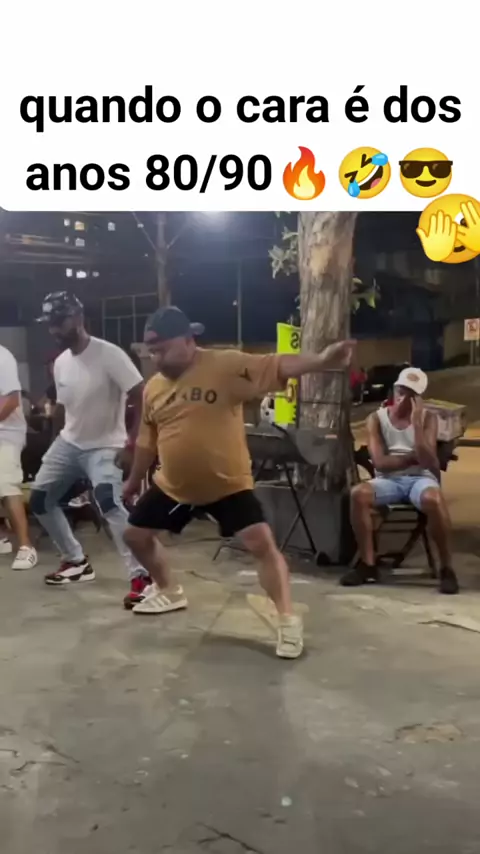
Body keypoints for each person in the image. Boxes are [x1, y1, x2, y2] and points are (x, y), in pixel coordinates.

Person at [122, 306, 355, 659]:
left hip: (227, 485)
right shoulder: (153, 387)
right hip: (175, 486)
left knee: (262, 544)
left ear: (188, 340)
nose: (156, 359)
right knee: (135, 536)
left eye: (162, 350)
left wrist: (322, 360)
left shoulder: (224, 365)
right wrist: (133, 481)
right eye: (151, 352)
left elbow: (277, 365)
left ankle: (287, 620)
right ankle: (169, 591)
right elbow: (145, 441)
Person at [30, 291, 151, 606]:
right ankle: (75, 561)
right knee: (40, 500)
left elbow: (141, 394)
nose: (55, 330)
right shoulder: (60, 363)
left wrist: (132, 442)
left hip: (106, 445)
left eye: (60, 321)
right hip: (69, 442)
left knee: (109, 502)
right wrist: (53, 443)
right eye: (51, 324)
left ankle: (142, 576)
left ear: (79, 318)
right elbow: (63, 407)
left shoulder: (109, 354)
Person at [341, 366, 458, 595]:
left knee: (434, 499)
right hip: (389, 481)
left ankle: (446, 568)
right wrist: (411, 458)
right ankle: (367, 563)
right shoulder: (376, 419)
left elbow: (429, 462)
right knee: (358, 494)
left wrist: (417, 427)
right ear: (393, 390)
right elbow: (380, 462)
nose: (403, 399)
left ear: (418, 399)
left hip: (420, 479)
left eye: (410, 395)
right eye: (400, 391)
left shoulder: (428, 418)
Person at [0, 344, 38, 570]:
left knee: (6, 484)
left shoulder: (2, 357)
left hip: (6, 433)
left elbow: (12, 400)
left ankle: (26, 546)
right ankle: (2, 537)